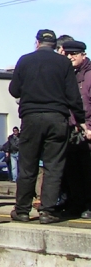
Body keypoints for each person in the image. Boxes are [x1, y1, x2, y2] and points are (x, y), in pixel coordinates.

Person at [9, 29, 86, 224]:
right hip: (57, 118)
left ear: (37, 43)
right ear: (56, 46)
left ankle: (22, 210)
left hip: (31, 118)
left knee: (28, 165)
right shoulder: (63, 63)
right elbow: (73, 96)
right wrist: (81, 120)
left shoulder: (24, 60)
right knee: (53, 166)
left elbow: (13, 90)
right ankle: (47, 211)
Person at [61, 40, 91, 219]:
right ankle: (75, 203)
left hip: (86, 129)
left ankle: (88, 204)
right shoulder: (67, 74)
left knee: (87, 171)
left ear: (83, 55)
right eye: (68, 54)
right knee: (72, 171)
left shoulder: (89, 75)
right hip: (71, 130)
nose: (70, 57)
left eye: (74, 54)